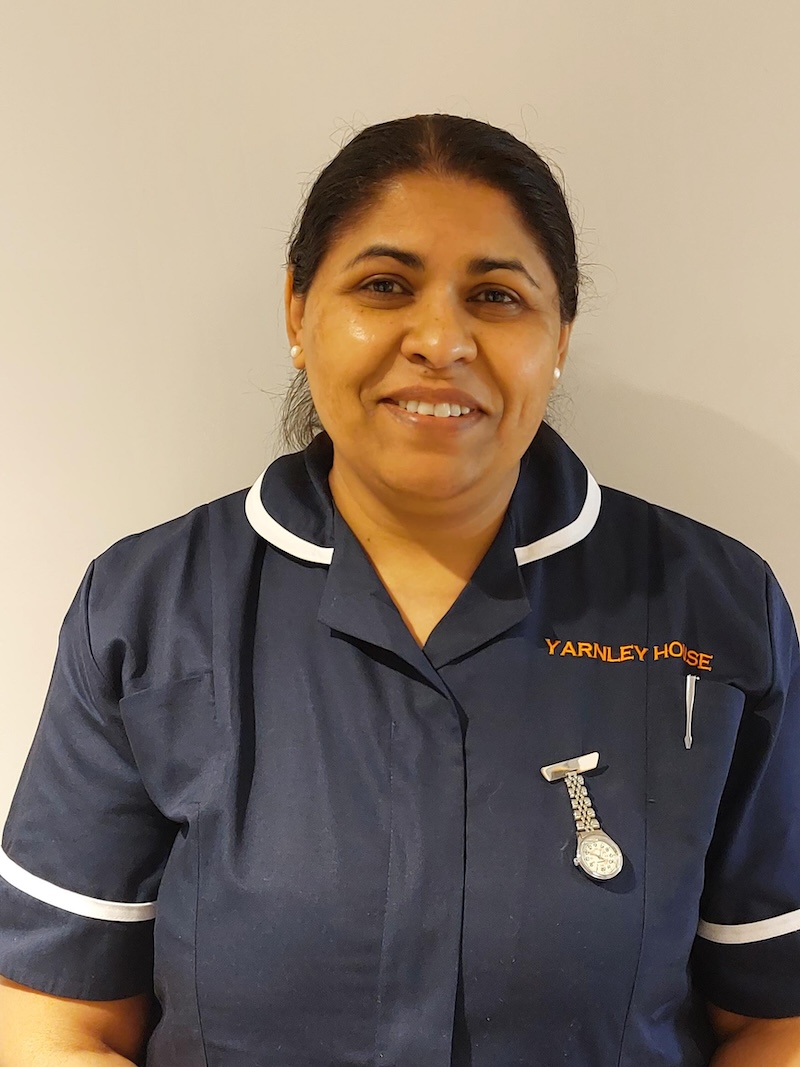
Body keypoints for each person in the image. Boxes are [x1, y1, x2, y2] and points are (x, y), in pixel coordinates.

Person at [0, 113, 799, 1067]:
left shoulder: (713, 607)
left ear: (561, 335)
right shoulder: (144, 611)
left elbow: (776, 1016)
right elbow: (55, 1018)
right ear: (298, 311)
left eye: (496, 296)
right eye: (385, 286)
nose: (440, 340)